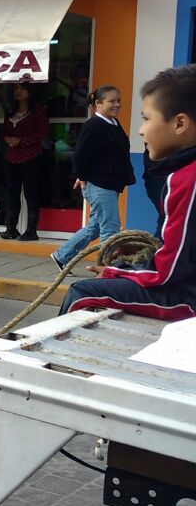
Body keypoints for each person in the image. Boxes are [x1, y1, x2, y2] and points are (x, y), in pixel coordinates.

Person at [61, 67, 196, 319]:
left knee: (83, 292)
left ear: (179, 123)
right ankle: (63, 256)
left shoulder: (186, 178)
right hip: (101, 184)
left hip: (188, 297)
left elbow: (166, 271)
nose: (141, 131)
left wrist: (116, 270)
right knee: (101, 226)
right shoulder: (98, 125)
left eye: (146, 119)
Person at [53, 85, 135, 271]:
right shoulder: (94, 125)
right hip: (100, 184)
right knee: (111, 228)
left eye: (118, 101)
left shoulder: (113, 123)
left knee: (96, 226)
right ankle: (106, 269)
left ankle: (62, 256)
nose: (117, 105)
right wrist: (81, 175)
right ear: (98, 104)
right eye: (111, 101)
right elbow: (81, 154)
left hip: (109, 184)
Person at [1, 83, 49, 241]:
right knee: (12, 193)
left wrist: (21, 141)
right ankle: (11, 228)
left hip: (31, 155)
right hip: (11, 157)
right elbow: (3, 132)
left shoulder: (38, 110)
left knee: (31, 193)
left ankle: (31, 230)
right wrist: (8, 139)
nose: (18, 91)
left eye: (22, 88)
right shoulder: (10, 111)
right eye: (15, 88)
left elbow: (42, 132)